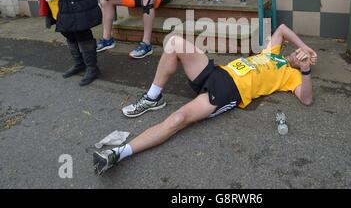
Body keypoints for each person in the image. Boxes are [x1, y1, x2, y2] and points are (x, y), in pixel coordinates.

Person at [93, 24, 317, 175]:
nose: (300, 55)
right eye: (299, 52)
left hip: (228, 92)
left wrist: (305, 70)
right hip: (217, 72)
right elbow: (282, 29)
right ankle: (153, 97)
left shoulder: (291, 75)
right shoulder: (273, 52)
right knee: (173, 42)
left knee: (178, 119)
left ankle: (119, 153)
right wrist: (305, 46)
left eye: (304, 58)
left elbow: (306, 99)